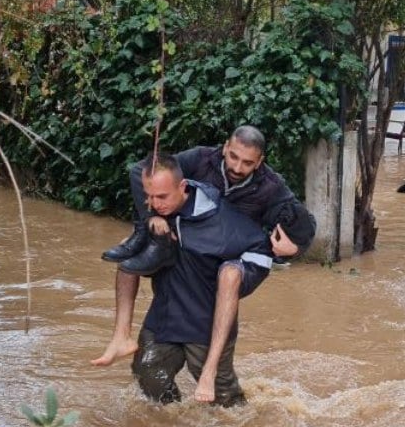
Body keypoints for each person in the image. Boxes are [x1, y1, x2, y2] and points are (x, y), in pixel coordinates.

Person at [92, 126, 315, 403]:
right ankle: (168, 415)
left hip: (237, 254)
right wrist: (149, 219)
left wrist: (294, 249)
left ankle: (213, 378)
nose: (237, 166)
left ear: (259, 162)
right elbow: (146, 173)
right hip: (192, 248)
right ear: (224, 148)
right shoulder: (200, 160)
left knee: (228, 276)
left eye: (247, 163)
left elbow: (304, 223)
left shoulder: (271, 186)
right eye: (233, 157)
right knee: (149, 371)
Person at [128, 153, 273, 407]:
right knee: (148, 372)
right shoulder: (156, 215)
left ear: (182, 187)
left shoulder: (222, 221)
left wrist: (283, 251)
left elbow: (261, 250)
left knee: (225, 404)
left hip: (205, 324)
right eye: (149, 197)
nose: (154, 204)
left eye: (161, 197)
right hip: (164, 318)